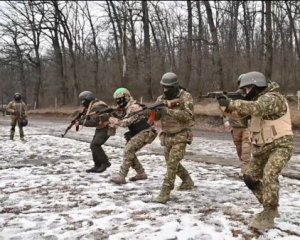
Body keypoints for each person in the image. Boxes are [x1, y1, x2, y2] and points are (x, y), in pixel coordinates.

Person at [217, 71, 294, 230]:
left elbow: (258, 107)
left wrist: (233, 103)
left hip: (281, 145)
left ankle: (269, 212)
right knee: (249, 178)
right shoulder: (255, 100)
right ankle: (270, 204)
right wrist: (226, 109)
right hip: (262, 148)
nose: (244, 93)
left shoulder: (273, 98)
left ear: (256, 85)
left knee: (270, 174)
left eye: (246, 90)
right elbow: (243, 119)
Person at [152, 72, 195, 204]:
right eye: (164, 87)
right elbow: (155, 118)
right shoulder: (160, 99)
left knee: (172, 164)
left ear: (175, 86)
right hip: (167, 135)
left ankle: (165, 192)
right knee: (171, 163)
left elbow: (188, 115)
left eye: (168, 87)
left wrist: (168, 110)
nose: (165, 90)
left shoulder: (185, 96)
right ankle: (187, 180)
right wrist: (155, 112)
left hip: (181, 134)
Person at [108, 87, 157, 185]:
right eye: (116, 100)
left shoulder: (134, 107)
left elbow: (126, 121)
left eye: (120, 99)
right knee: (129, 152)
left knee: (128, 150)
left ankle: (121, 177)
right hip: (139, 131)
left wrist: (116, 121)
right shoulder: (125, 107)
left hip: (147, 131)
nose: (118, 102)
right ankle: (141, 173)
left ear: (126, 97)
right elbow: (120, 115)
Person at [76, 90, 115, 173]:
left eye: (83, 101)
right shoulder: (92, 105)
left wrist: (80, 122)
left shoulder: (98, 106)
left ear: (87, 100)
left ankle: (105, 163)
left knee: (95, 145)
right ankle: (97, 165)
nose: (82, 103)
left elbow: (94, 122)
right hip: (101, 127)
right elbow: (88, 117)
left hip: (107, 126)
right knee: (93, 145)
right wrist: (80, 118)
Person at [223, 74, 251, 176]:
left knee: (246, 152)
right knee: (240, 151)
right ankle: (246, 169)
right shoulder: (233, 96)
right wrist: (226, 121)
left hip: (248, 128)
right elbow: (226, 111)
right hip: (235, 128)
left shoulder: (252, 97)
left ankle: (246, 173)